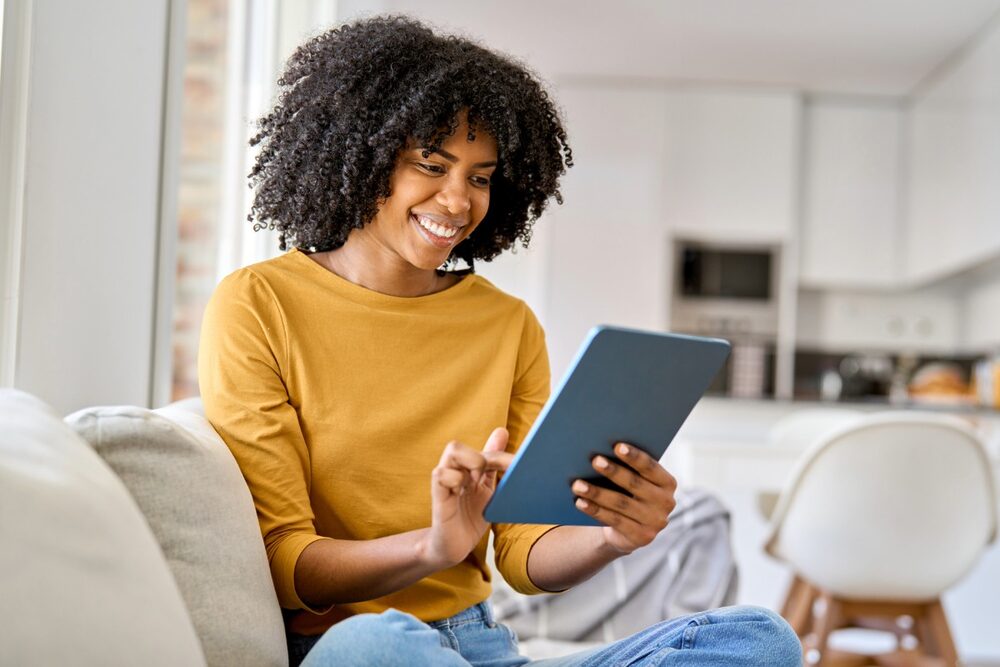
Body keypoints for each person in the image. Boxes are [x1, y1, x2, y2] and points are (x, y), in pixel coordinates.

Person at [199, 15, 801, 667]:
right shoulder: (260, 303)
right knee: (374, 639)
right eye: (432, 165)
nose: (458, 202)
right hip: (355, 647)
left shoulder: (507, 324)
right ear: (359, 156)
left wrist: (613, 536)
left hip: (481, 645)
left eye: (480, 177)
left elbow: (522, 552)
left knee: (757, 637)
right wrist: (432, 545)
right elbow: (291, 563)